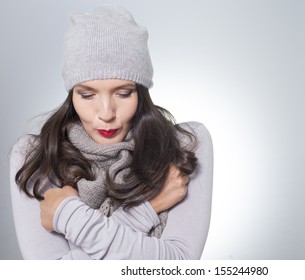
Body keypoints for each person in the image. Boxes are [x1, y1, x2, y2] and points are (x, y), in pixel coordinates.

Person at [9, 5, 213, 260]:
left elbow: (179, 264)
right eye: (87, 95)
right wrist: (147, 209)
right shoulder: (35, 156)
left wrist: (68, 215)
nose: (106, 113)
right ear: (71, 95)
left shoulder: (185, 145)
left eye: (123, 93)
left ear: (141, 92)